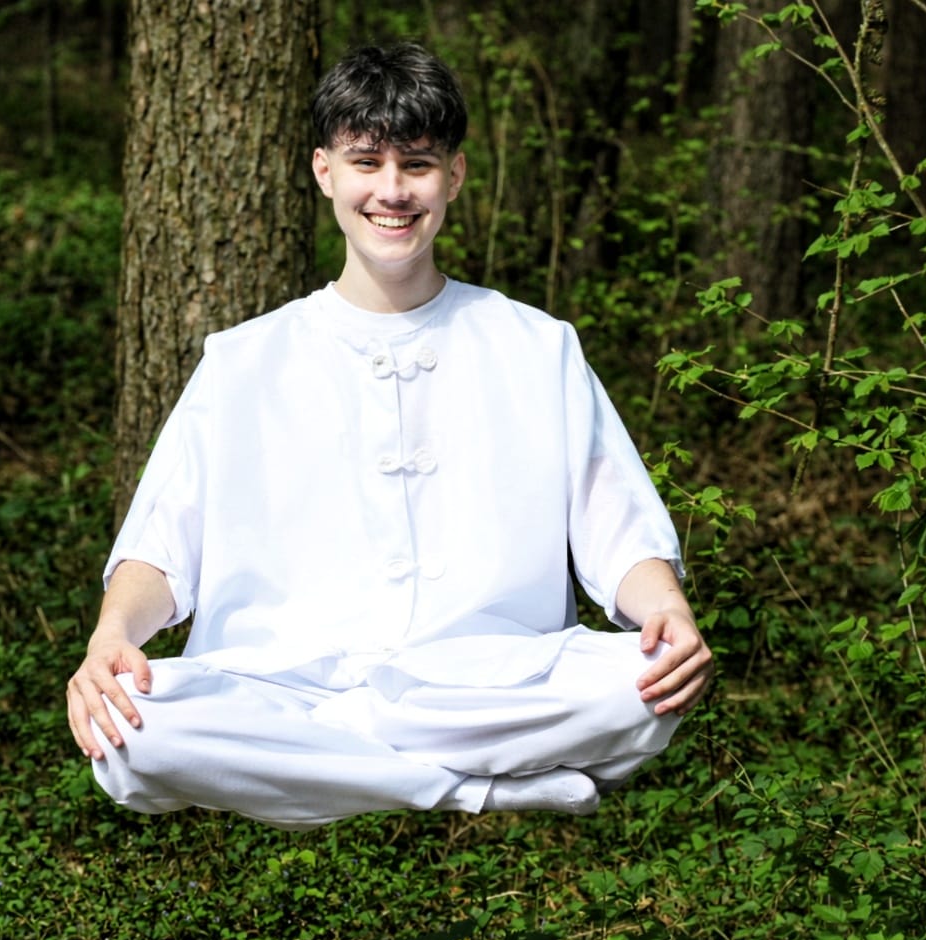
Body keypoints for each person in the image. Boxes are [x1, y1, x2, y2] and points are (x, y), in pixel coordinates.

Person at [65, 42, 713, 831]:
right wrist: (110, 637)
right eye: (366, 162)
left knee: (645, 686)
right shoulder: (243, 360)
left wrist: (668, 610)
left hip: (480, 682)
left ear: (456, 175)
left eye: (418, 164)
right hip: (281, 682)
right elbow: (161, 548)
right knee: (129, 730)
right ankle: (478, 788)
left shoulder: (537, 346)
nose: (393, 190)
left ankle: (333, 765)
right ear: (324, 172)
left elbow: (617, 526)